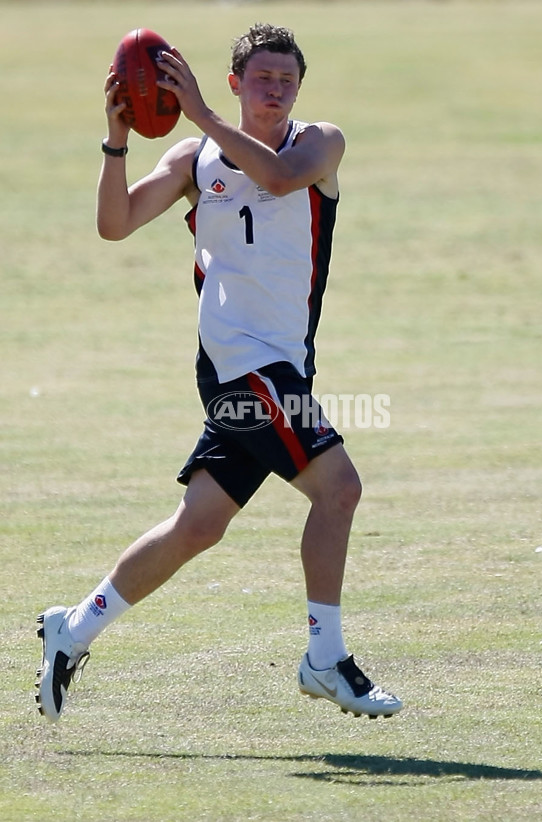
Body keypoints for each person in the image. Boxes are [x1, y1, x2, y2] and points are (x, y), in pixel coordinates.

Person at [35, 23, 402, 722]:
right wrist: (115, 142)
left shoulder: (318, 143)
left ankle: (72, 628)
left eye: (286, 80)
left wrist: (202, 112)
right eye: (262, 78)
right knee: (340, 488)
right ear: (235, 83)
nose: (275, 90)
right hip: (240, 366)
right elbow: (115, 224)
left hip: (286, 366)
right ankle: (325, 658)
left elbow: (280, 177)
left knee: (197, 525)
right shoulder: (194, 157)